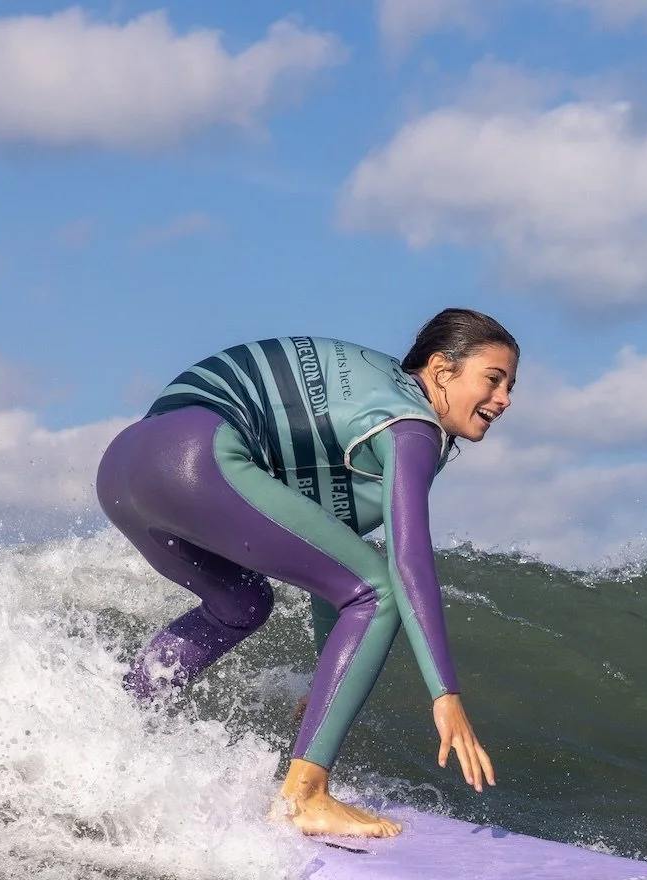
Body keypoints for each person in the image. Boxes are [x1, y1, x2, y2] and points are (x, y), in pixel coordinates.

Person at [95, 308, 519, 838]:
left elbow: (335, 560)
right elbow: (405, 566)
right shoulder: (413, 427)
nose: (504, 400)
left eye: (509, 386)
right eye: (493, 379)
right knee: (380, 589)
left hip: (125, 468)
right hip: (196, 454)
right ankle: (305, 797)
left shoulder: (362, 407)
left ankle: (111, 728)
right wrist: (445, 694)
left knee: (242, 604)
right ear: (441, 370)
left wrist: (331, 671)